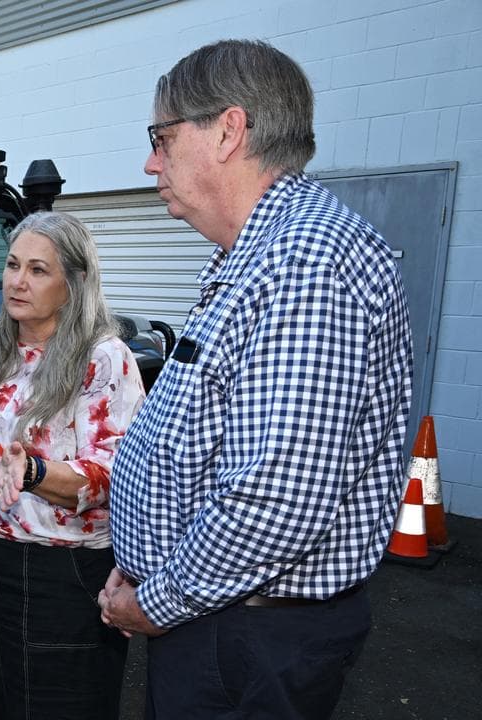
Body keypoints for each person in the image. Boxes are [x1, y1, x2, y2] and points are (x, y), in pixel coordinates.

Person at [101, 39, 414, 719]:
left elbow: (275, 499)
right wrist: (143, 559)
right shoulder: (256, 257)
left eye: (161, 136)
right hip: (220, 616)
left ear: (228, 131)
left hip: (244, 638)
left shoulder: (307, 262)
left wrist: (154, 599)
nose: (151, 160)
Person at [0, 211, 146, 720]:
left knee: (58, 703)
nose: (17, 281)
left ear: (72, 284)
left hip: (62, 568)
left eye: (37, 270)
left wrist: (33, 472)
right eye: (11, 265)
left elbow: (119, 471)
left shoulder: (103, 357)